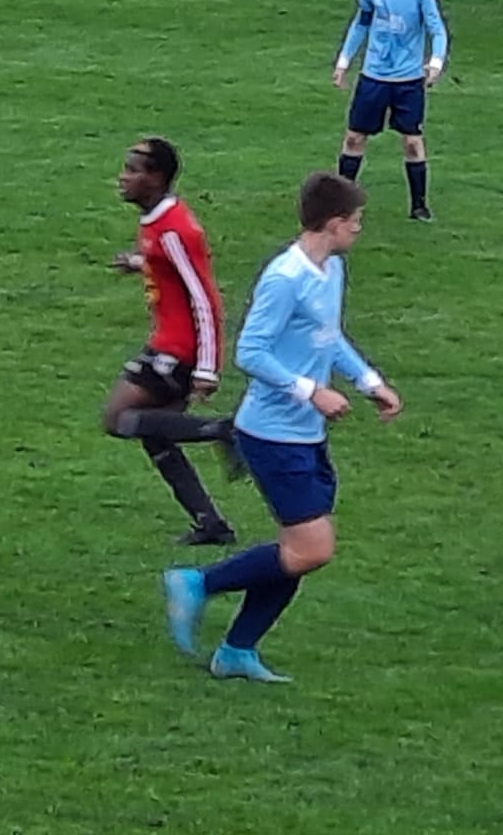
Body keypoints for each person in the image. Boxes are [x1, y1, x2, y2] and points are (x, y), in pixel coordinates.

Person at [162, 171, 403, 683]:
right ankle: (198, 583)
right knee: (311, 548)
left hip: (305, 434)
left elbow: (328, 336)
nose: (359, 229)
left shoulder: (331, 269)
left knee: (298, 553)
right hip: (271, 435)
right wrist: (311, 390)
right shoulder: (285, 278)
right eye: (355, 221)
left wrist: (369, 381)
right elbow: (250, 352)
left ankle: (237, 651)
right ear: (333, 223)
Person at [103, 138, 237, 546]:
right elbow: (169, 265)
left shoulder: (175, 228)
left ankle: (225, 430)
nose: (123, 178)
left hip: (176, 351)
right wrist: (141, 263)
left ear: (156, 178)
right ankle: (211, 525)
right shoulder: (158, 222)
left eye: (133, 170)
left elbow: (204, 298)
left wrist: (208, 367)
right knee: (155, 433)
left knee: (118, 418)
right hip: (172, 345)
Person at [333, 0, 450, 222]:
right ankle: (341, 203)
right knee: (354, 139)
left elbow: (437, 29)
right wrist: (344, 61)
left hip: (408, 80)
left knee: (412, 141)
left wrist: (435, 63)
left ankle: (419, 205)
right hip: (373, 77)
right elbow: (361, 23)